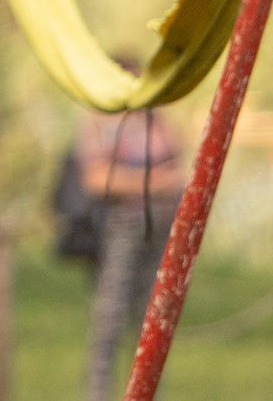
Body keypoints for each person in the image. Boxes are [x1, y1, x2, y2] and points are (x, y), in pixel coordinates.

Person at [77, 102, 184, 401]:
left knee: (153, 321)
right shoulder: (101, 120)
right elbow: (96, 178)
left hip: (160, 229)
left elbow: (178, 168)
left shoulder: (155, 119)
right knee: (109, 320)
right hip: (120, 229)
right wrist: (153, 183)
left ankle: (148, 394)